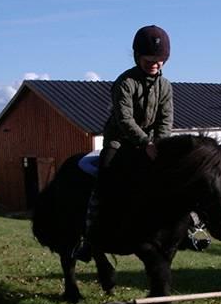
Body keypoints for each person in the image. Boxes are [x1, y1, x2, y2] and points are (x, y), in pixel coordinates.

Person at [73, 25, 174, 261]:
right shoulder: (125, 82)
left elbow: (165, 120)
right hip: (119, 142)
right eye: (149, 58)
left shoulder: (166, 86)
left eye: (159, 60)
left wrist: (159, 145)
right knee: (105, 179)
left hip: (150, 143)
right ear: (138, 56)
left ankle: (186, 228)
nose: (154, 64)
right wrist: (145, 143)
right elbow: (124, 119)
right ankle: (90, 239)